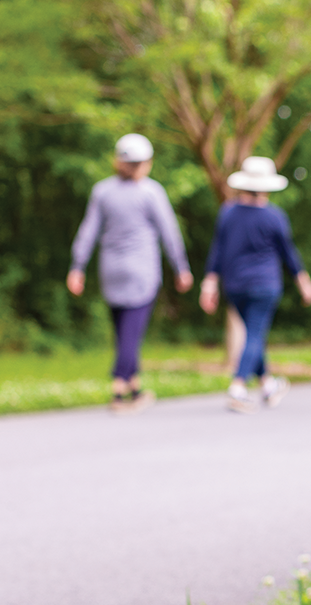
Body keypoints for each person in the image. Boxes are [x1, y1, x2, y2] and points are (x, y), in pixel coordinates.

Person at [67, 133, 193, 413]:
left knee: (123, 331)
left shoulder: (102, 191)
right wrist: (181, 267)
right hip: (141, 272)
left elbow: (88, 231)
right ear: (145, 162)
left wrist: (77, 267)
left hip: (110, 271)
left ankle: (135, 389)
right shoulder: (151, 192)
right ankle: (118, 390)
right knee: (131, 335)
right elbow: (169, 232)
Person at [200, 156, 311, 413]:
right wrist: (304, 283)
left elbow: (217, 251)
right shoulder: (274, 216)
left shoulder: (228, 213)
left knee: (255, 334)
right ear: (266, 186)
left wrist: (209, 283)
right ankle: (238, 387)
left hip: (235, 286)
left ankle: (267, 385)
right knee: (254, 335)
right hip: (265, 285)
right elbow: (290, 254)